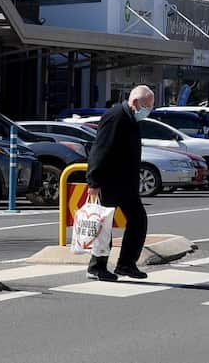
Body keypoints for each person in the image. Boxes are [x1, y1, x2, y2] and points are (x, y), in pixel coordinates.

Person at [84, 85, 153, 282]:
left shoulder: (130, 119)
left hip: (126, 183)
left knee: (138, 220)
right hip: (109, 182)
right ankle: (97, 266)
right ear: (135, 103)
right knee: (104, 225)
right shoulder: (115, 117)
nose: (149, 110)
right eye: (147, 106)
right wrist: (94, 180)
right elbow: (101, 148)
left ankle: (126, 264)